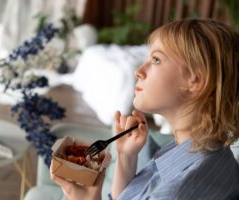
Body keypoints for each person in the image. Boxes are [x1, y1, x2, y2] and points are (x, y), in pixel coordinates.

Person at [50, 19, 239, 200]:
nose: (138, 70)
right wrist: (126, 156)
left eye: (156, 60)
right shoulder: (204, 151)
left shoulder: (173, 193)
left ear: (196, 80)